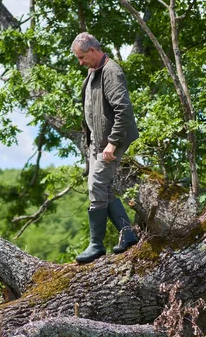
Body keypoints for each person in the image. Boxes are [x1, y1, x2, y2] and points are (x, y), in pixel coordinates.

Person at [72, 32, 139, 264]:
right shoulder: (92, 72)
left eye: (82, 57)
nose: (80, 62)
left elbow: (124, 111)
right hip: (96, 142)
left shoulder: (112, 71)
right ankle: (128, 234)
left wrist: (112, 142)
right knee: (105, 189)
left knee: (96, 185)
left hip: (111, 141)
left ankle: (96, 245)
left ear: (92, 50)